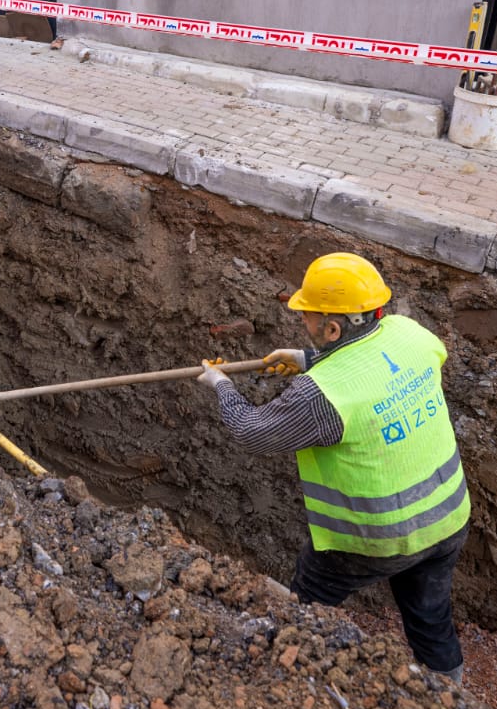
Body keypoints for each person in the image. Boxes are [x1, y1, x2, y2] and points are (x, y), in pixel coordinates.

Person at [197, 252, 471, 683]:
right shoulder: (412, 335)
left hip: (375, 537)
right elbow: (378, 368)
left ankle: (290, 666)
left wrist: (222, 386)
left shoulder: (319, 396)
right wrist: (311, 356)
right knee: (430, 615)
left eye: (310, 318)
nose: (304, 322)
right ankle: (452, 700)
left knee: (310, 599)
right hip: (447, 517)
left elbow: (254, 432)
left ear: (333, 327)